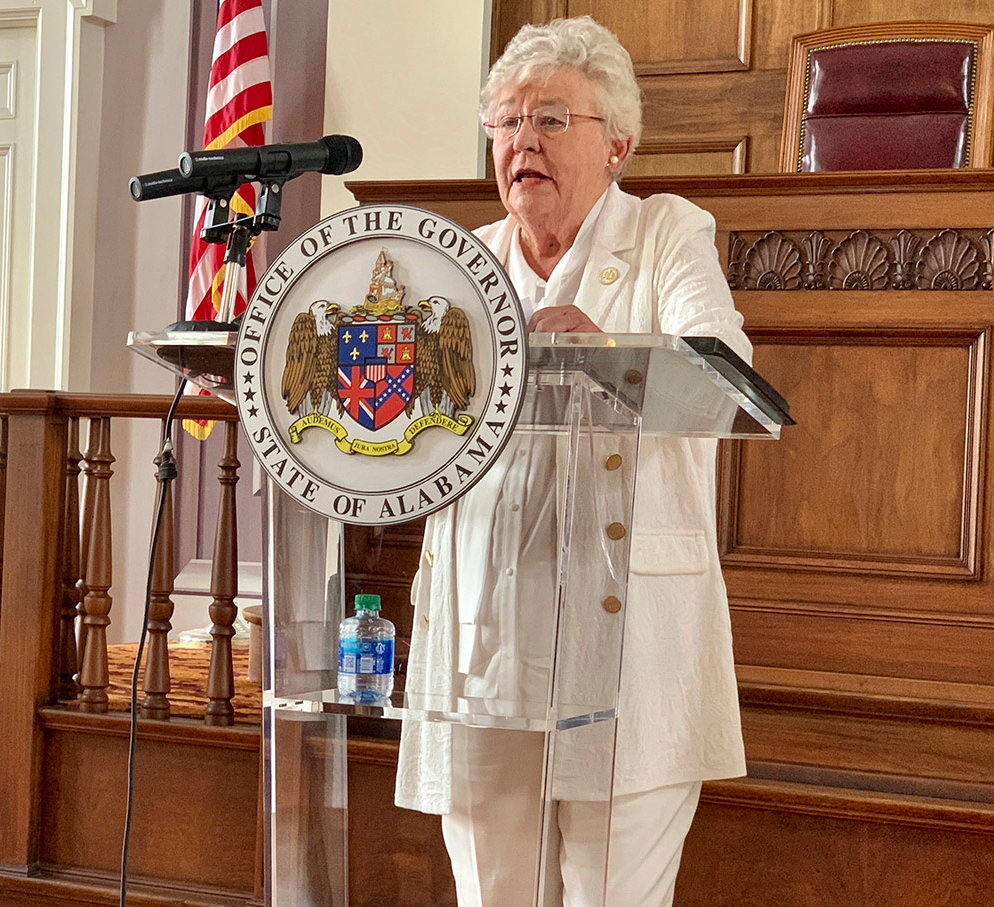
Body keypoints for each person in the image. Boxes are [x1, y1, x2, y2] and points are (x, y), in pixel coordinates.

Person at [394, 17, 752, 907]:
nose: (522, 143)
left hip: (627, 646)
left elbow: (726, 382)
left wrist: (609, 350)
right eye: (507, 124)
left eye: (551, 120)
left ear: (618, 144)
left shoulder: (670, 234)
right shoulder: (461, 263)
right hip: (487, 637)